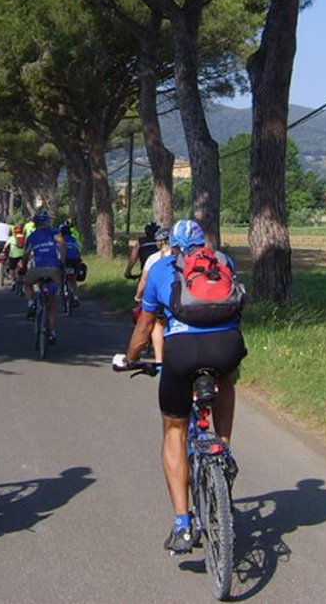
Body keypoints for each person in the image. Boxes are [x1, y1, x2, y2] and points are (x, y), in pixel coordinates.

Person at [115, 219, 247, 555]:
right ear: (205, 242)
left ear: (172, 245)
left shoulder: (162, 268)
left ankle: (183, 525)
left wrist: (130, 358)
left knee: (174, 429)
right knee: (225, 379)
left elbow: (146, 325)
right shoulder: (224, 261)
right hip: (227, 345)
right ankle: (225, 449)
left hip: (182, 352)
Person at [23, 209, 66, 341]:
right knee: (52, 305)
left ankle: (31, 304)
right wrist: (62, 262)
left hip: (37, 269)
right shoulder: (55, 233)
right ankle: (52, 332)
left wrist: (23, 267)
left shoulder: (32, 236)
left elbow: (26, 254)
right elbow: (62, 244)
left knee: (27, 283)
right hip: (53, 269)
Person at [133, 226, 172, 362]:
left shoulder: (153, 258)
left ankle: (159, 359)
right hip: (178, 298)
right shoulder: (180, 257)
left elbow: (143, 282)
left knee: (157, 323)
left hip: (159, 299)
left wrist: (138, 296)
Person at [59, 221, 83, 309]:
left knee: (60, 274)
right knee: (73, 280)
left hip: (65, 260)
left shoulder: (59, 239)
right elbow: (78, 249)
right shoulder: (73, 239)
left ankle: (60, 290)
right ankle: (76, 297)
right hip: (74, 260)